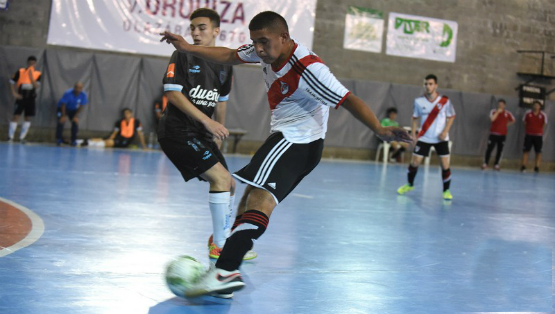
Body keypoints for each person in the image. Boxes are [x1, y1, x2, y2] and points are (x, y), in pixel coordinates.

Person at [160, 10, 411, 298]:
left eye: (264, 42)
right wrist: (188, 47)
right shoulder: (264, 52)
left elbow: (348, 99)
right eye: (255, 43)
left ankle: (225, 271)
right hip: (292, 140)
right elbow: (230, 55)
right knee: (249, 199)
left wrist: (379, 128)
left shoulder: (307, 68)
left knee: (258, 199)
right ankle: (227, 268)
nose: (258, 49)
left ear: (284, 37)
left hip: (297, 139)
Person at [157, 8, 255, 264]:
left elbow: (221, 101)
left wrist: (218, 129)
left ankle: (218, 239)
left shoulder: (225, 63)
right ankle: (222, 247)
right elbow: (172, 94)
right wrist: (207, 122)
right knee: (222, 179)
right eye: (192, 28)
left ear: (215, 31)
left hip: (203, 134)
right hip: (177, 132)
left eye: (201, 28)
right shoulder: (182, 55)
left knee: (230, 184)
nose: (196, 33)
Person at [397, 74, 456, 200]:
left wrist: (445, 131)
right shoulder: (418, 101)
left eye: (430, 84)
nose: (428, 86)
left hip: (441, 138)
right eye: (426, 84)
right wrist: (413, 135)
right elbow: (414, 119)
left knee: (445, 165)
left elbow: (451, 116)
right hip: (424, 137)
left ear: (436, 85)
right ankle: (409, 184)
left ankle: (446, 191)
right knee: (415, 162)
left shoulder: (445, 101)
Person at [8, 56, 41, 144]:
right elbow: (11, 82)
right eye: (30, 63)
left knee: (27, 117)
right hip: (21, 96)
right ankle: (10, 137)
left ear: (35, 64)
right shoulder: (20, 71)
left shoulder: (37, 73)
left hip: (31, 98)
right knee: (16, 116)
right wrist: (14, 93)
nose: (31, 65)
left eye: (33, 63)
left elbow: (36, 86)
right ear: (27, 63)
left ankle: (22, 137)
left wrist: (31, 77)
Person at [481, 99, 514, 170]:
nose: (500, 105)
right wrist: (497, 112)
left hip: (502, 135)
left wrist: (506, 125)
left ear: (504, 105)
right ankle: (485, 163)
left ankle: (496, 164)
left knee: (500, 150)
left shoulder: (508, 113)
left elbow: (513, 120)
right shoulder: (493, 111)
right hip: (493, 134)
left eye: (502, 104)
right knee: (489, 149)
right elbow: (492, 119)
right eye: (499, 104)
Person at [520, 101, 547, 173]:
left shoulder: (543, 115)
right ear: (533, 106)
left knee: (538, 152)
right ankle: (523, 166)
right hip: (529, 135)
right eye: (535, 105)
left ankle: (537, 167)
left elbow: (544, 124)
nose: (536, 106)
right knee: (526, 151)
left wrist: (538, 130)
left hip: (538, 136)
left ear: (540, 107)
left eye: (538, 105)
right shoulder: (528, 113)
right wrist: (529, 130)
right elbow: (525, 123)